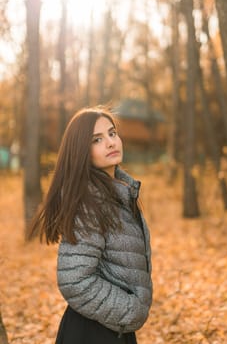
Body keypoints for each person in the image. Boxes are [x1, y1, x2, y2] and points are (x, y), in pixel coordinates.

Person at [29, 107, 153, 344]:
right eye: (97, 139)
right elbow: (74, 281)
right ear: (81, 151)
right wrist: (129, 309)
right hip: (94, 333)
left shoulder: (120, 194)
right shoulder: (89, 202)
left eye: (112, 133)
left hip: (114, 327)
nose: (110, 143)